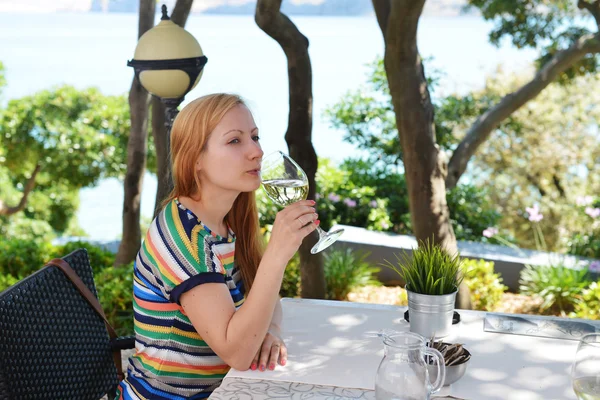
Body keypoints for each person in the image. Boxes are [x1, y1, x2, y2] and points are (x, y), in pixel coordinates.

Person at [116, 93, 320, 399]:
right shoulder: (183, 238)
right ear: (195, 159)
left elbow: (264, 295)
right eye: (235, 141)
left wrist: (270, 332)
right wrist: (277, 254)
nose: (257, 151)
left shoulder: (230, 220)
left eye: (254, 137)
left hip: (223, 389)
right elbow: (237, 353)